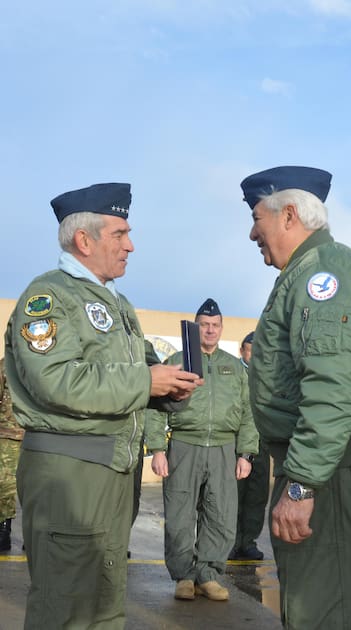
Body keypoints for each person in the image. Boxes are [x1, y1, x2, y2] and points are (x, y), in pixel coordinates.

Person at [4, 182, 202, 630]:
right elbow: (52, 380)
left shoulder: (117, 303)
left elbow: (134, 378)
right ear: (84, 239)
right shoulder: (49, 297)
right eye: (120, 234)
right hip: (72, 475)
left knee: (104, 604)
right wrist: (144, 380)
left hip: (112, 471)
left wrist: (168, 389)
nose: (130, 246)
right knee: (67, 606)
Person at [240, 165, 351, 630]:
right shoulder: (308, 272)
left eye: (257, 218)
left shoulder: (324, 274)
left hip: (331, 474)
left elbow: (333, 389)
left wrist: (302, 485)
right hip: (330, 467)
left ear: (288, 214)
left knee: (322, 610)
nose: (253, 233)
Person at [145, 298, 259, 601]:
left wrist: (246, 454)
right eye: (205, 325)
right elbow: (155, 408)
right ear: (196, 328)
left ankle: (208, 575)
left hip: (224, 447)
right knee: (181, 513)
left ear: (221, 329)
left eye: (215, 325)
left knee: (220, 513)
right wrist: (157, 448)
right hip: (184, 444)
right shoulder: (177, 362)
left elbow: (249, 413)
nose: (210, 330)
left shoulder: (234, 368)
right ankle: (184, 575)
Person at [229, 332, 270, 561]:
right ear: (242, 351)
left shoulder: (268, 376)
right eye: (249, 350)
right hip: (238, 443)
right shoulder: (234, 372)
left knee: (257, 496)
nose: (253, 355)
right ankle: (232, 542)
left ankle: (249, 542)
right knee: (235, 496)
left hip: (261, 445)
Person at [0, 357, 24, 552]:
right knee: (5, 485)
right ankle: (3, 530)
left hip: (41, 433)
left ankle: (36, 536)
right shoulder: (5, 365)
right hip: (9, 434)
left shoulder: (47, 361)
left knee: (39, 488)